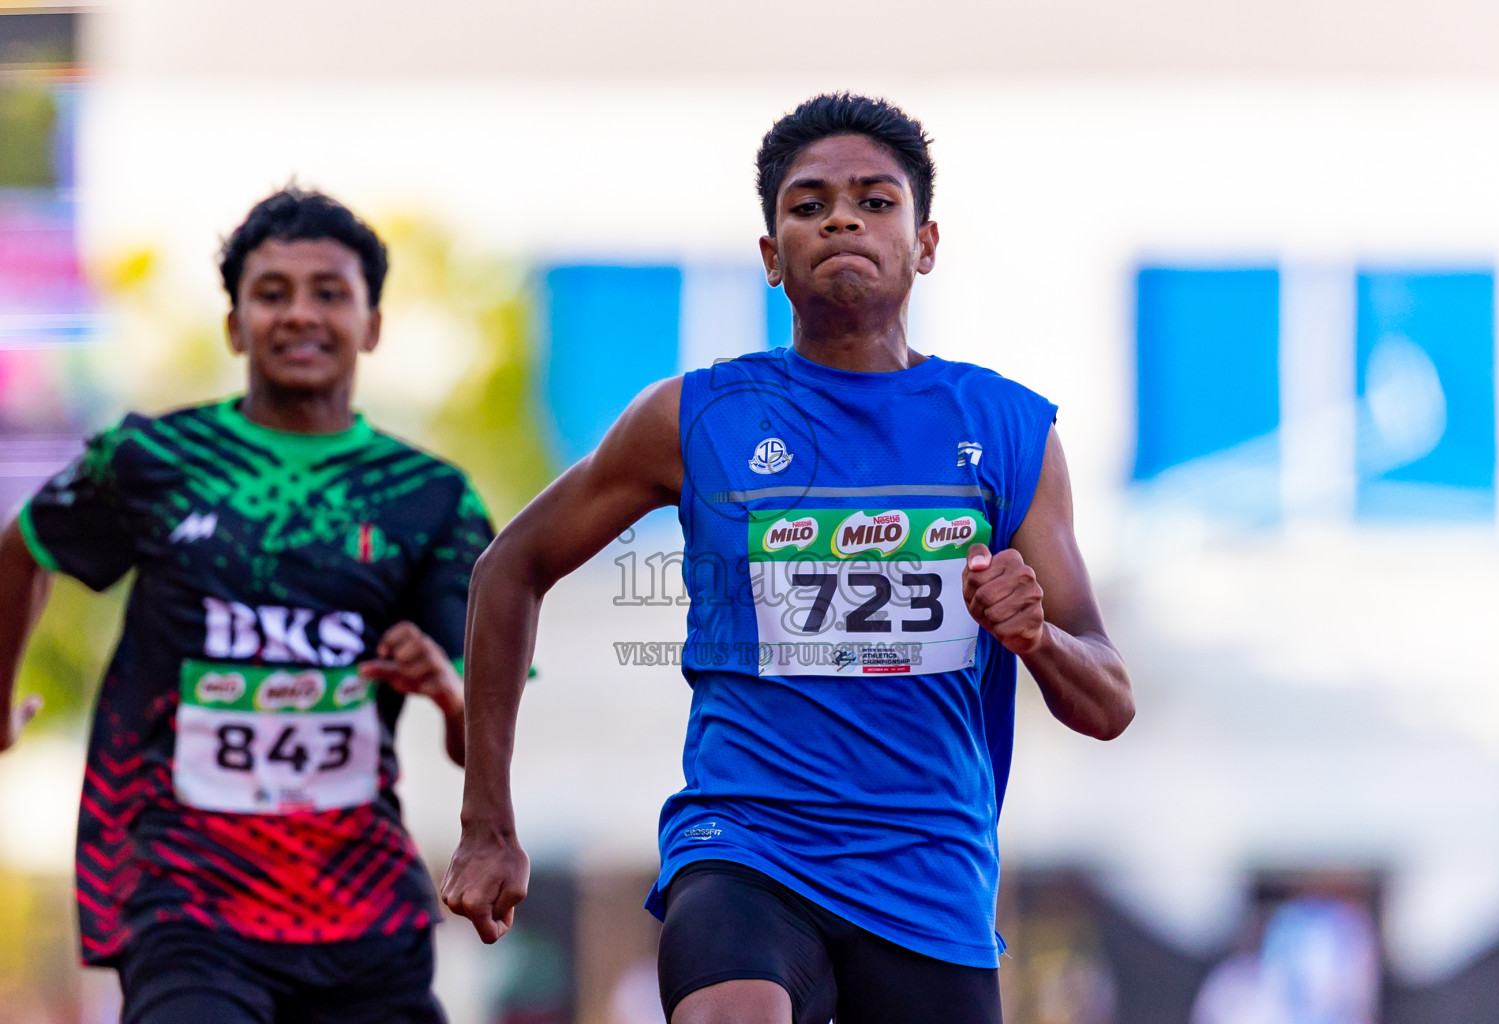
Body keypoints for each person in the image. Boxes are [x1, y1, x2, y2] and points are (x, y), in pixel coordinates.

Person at [442, 93, 1134, 1024]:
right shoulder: (696, 418)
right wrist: (487, 823)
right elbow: (506, 568)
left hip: (928, 877)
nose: (841, 218)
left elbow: (1108, 702)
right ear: (772, 257)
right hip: (745, 846)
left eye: (875, 201)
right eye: (808, 206)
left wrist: (1037, 634)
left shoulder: (1008, 430)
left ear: (925, 243)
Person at [0, 187, 493, 1024]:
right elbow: (24, 549)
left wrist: (446, 690)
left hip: (362, 910)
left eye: (329, 292)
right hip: (184, 894)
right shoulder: (154, 459)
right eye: (271, 294)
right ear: (235, 325)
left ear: (371, 324)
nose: (300, 315)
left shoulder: (428, 498)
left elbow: (479, 734)